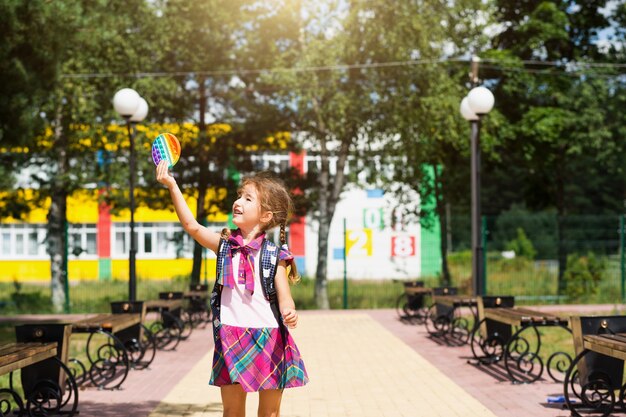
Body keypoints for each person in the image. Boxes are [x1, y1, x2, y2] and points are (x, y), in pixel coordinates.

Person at [156, 160, 308, 417]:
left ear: (266, 216)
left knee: (270, 413)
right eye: (239, 196)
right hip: (231, 336)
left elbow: (285, 299)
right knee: (232, 411)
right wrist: (172, 185)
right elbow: (192, 226)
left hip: (269, 338)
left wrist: (289, 312)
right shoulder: (224, 246)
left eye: (248, 199)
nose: (238, 202)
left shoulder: (275, 254)